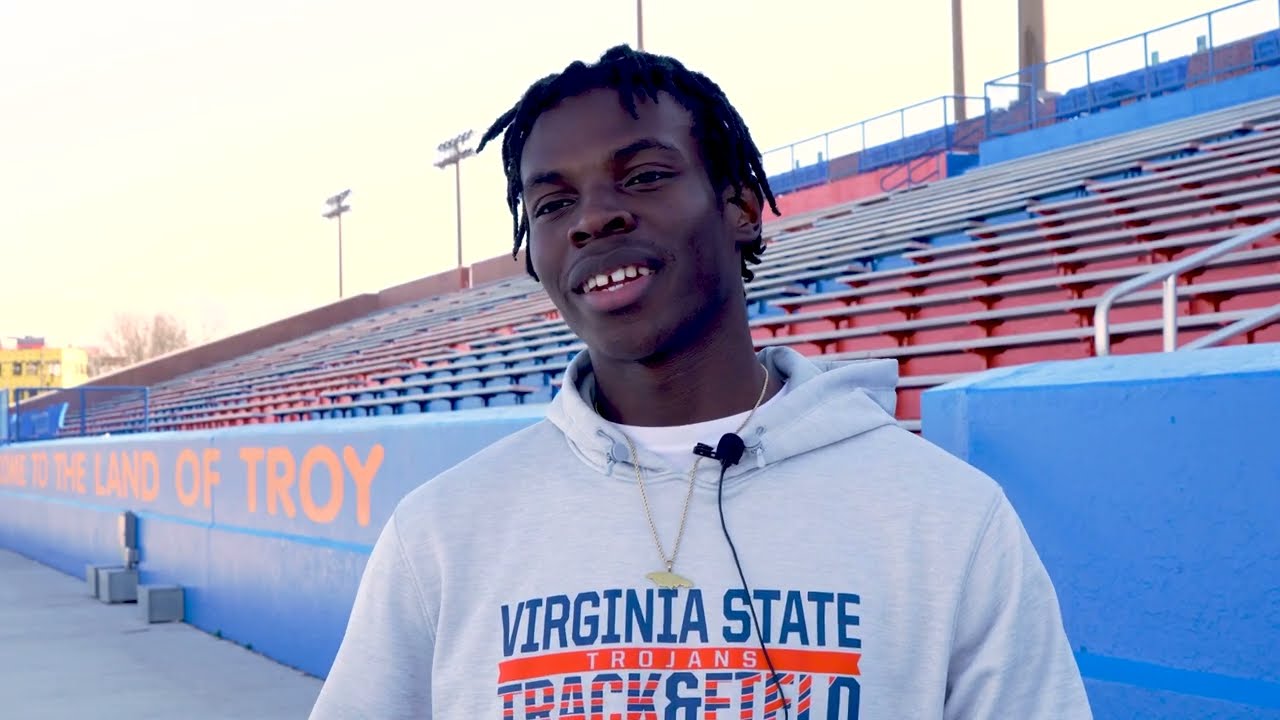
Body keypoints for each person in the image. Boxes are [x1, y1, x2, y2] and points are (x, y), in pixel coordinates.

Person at [308, 45, 1092, 719]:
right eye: (554, 201)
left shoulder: (946, 520)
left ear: (742, 207)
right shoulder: (442, 533)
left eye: (643, 176)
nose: (593, 218)